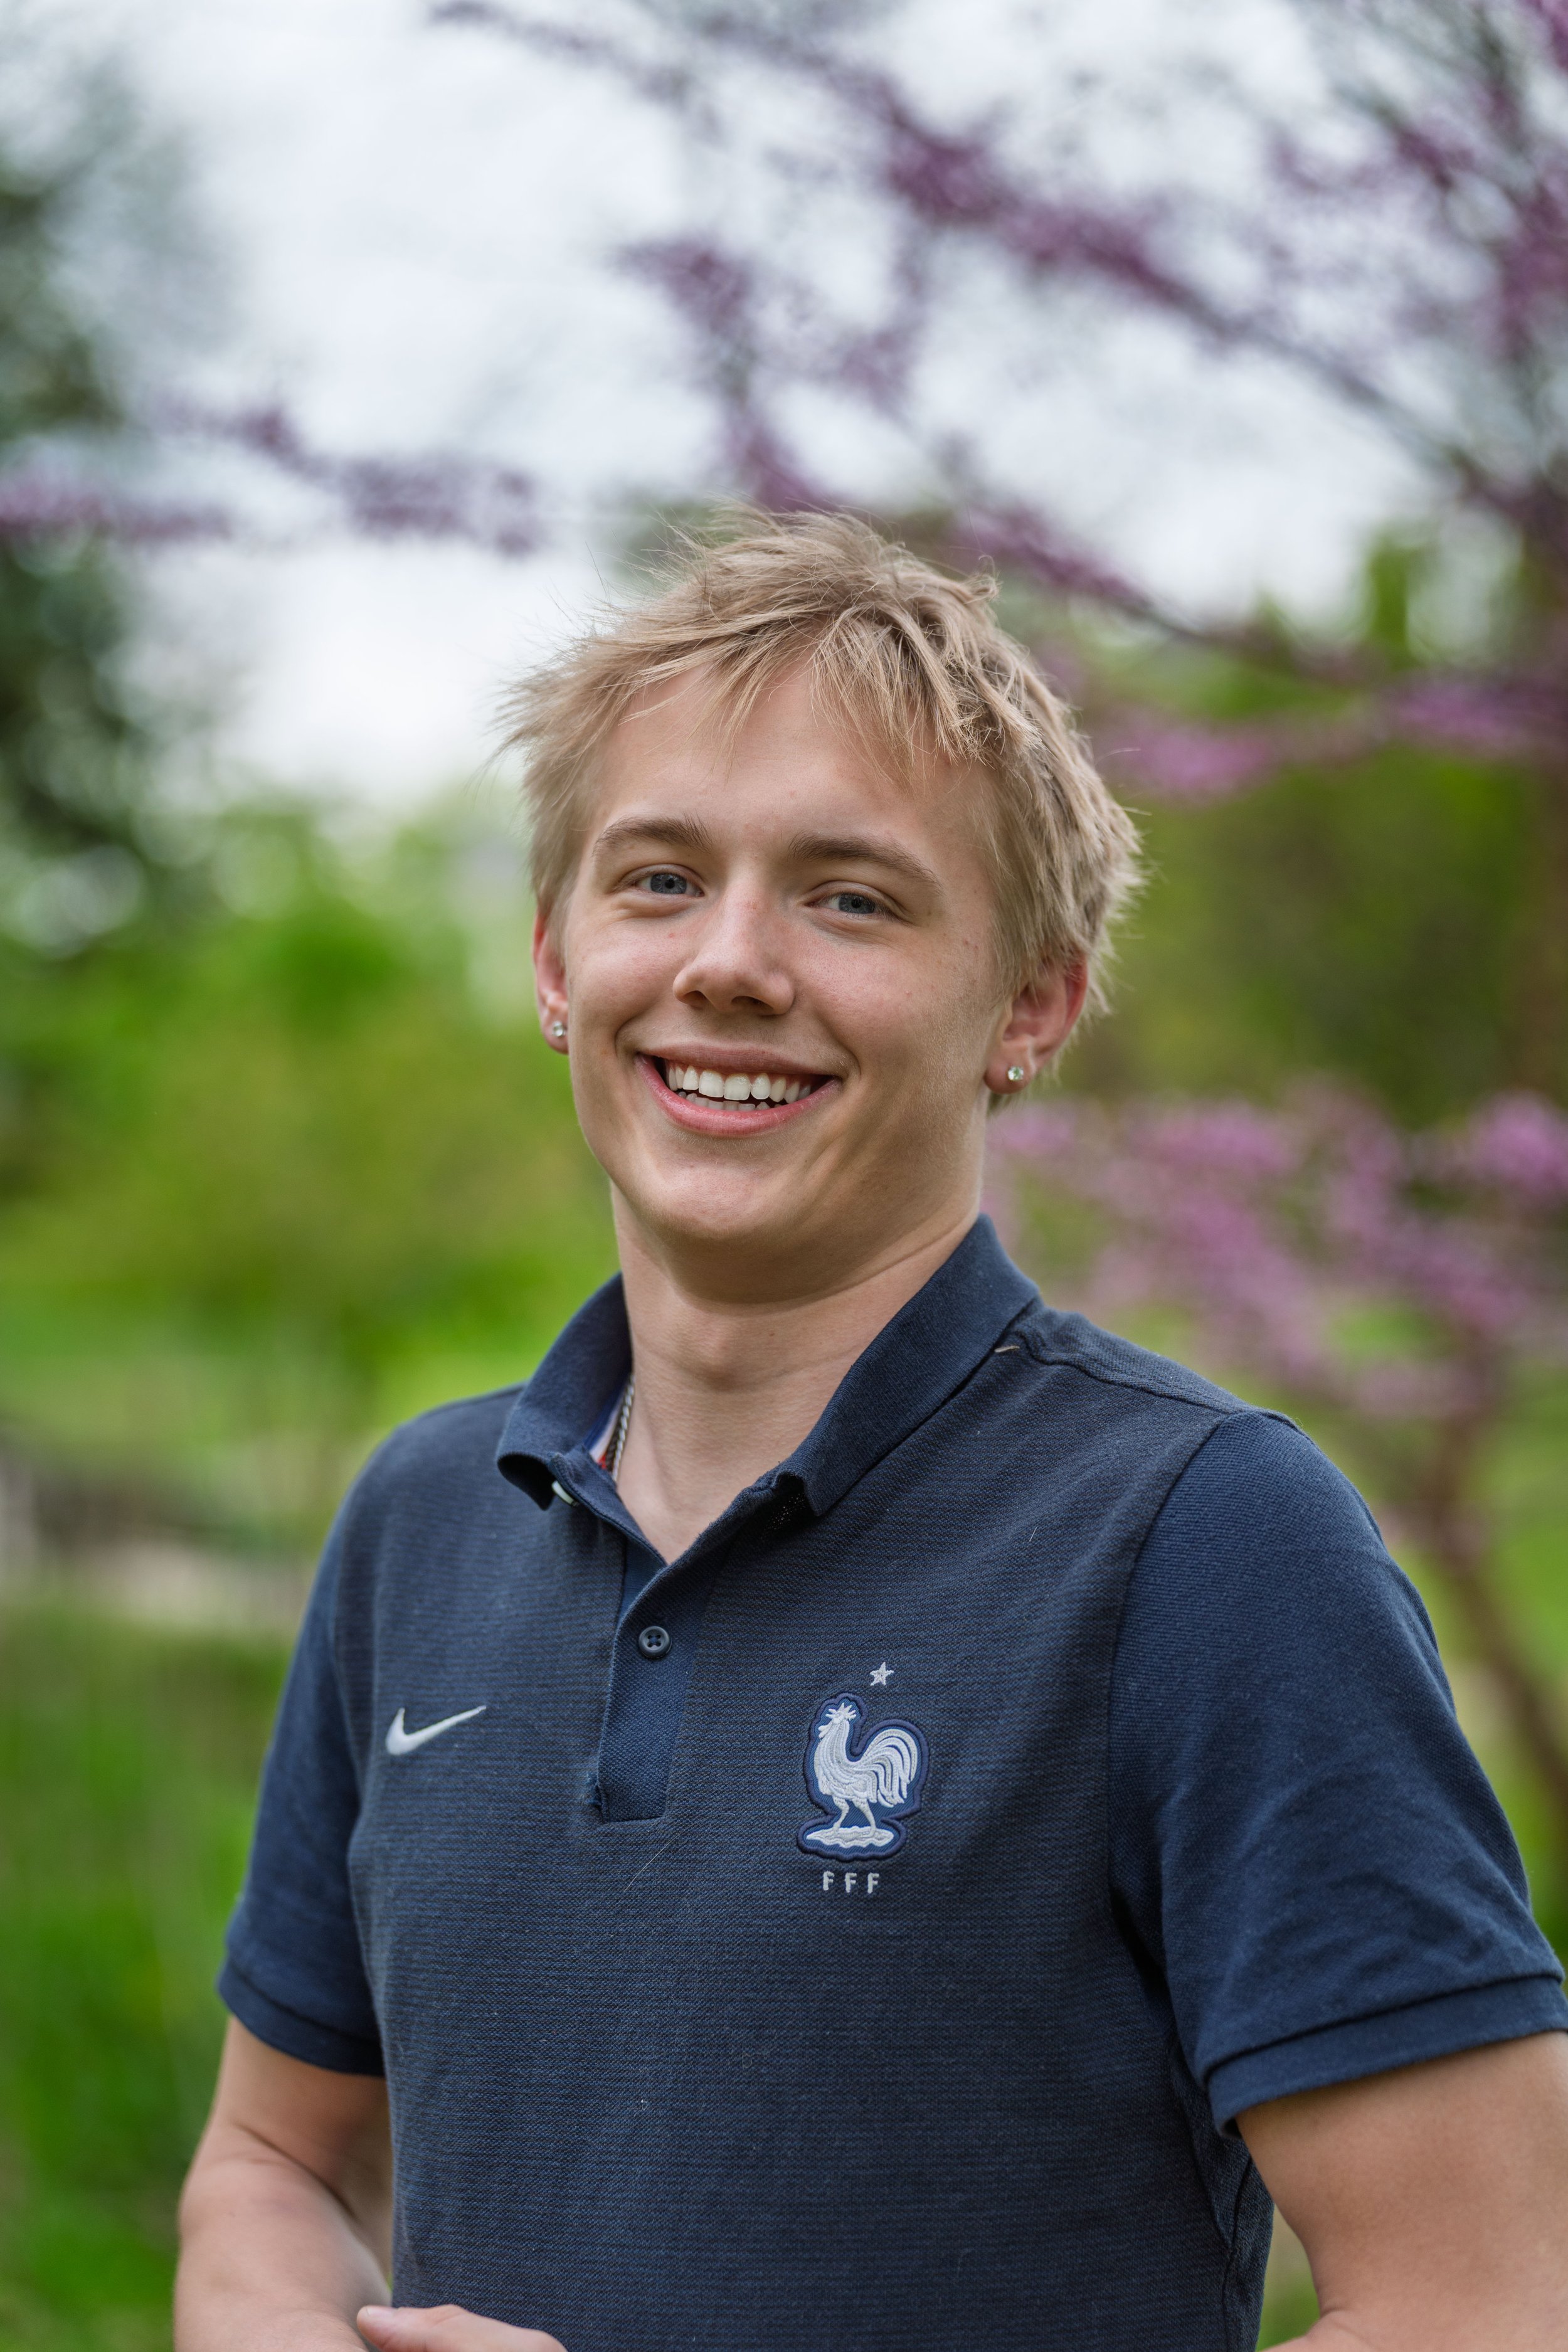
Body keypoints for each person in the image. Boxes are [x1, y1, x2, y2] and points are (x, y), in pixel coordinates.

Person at [174, 513, 1568, 2352]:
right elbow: (274, 2165)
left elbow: (1487, 2303)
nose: (729, 964)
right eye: (657, 879)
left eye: (850, 896)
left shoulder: (1204, 1541)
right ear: (549, 957)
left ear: (1032, 1002)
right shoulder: (420, 1520)